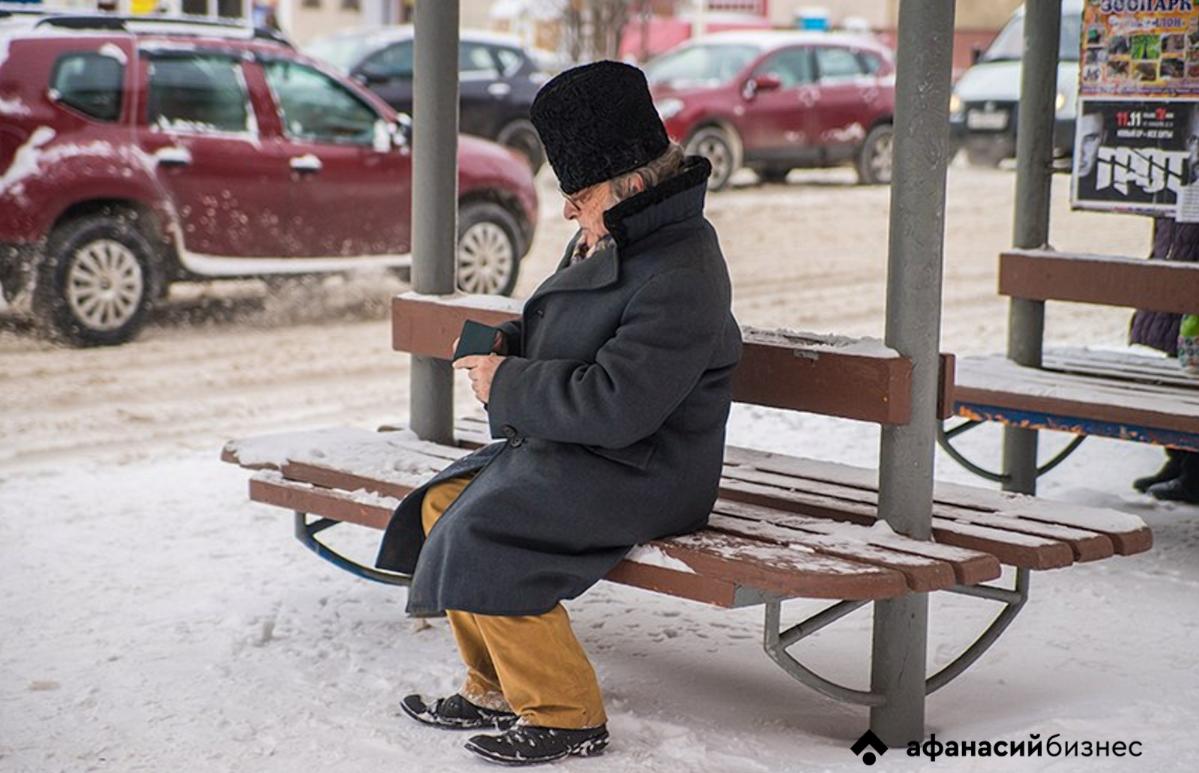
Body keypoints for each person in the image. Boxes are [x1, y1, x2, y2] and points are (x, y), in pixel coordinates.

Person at [375, 61, 742, 765]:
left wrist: (507, 383)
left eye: (579, 193)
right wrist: (509, 347)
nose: (569, 209)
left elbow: (616, 403)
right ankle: (495, 684)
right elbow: (577, 337)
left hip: (647, 468)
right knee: (444, 505)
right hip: (591, 451)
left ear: (631, 183)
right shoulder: (617, 235)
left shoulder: (681, 272)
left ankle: (566, 713)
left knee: (488, 530)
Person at [1129, 216, 1199, 504]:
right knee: (1180, 369)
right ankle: (1180, 459)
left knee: (1190, 378)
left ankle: (1193, 469)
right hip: (1177, 256)